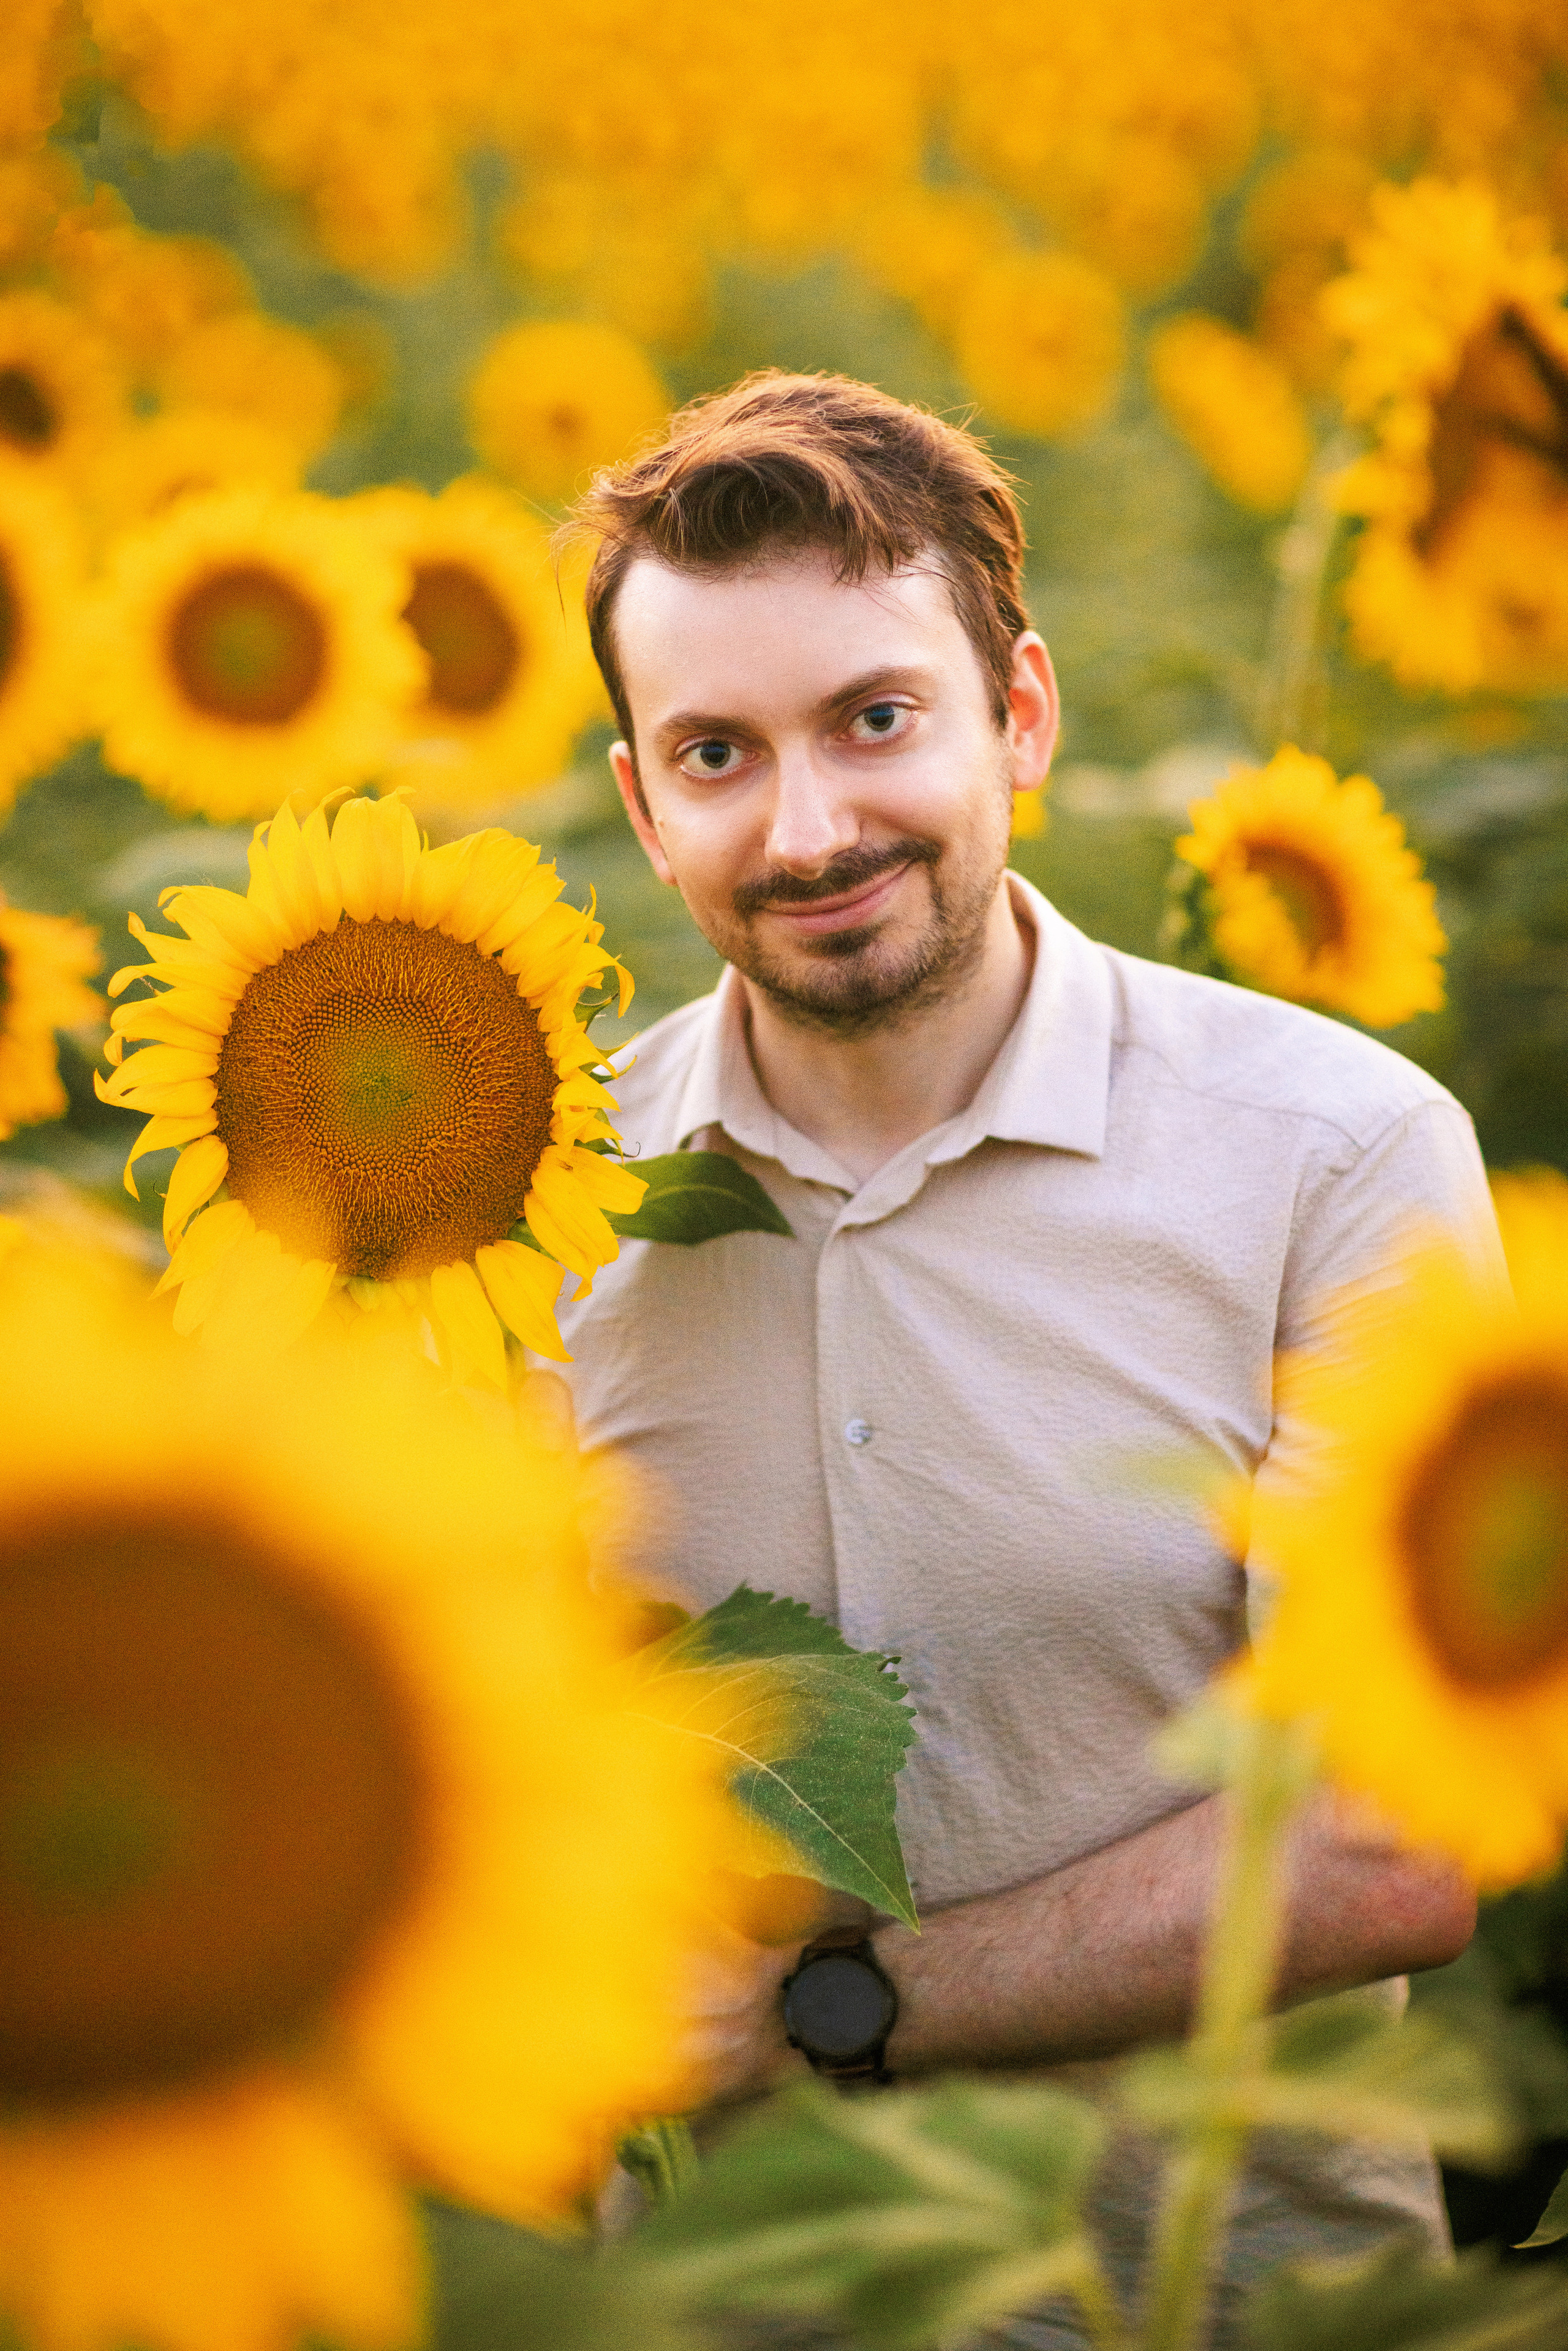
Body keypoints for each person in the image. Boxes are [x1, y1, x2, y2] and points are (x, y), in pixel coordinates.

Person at [555, 371, 1488, 2344]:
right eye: (717, 751)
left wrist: (830, 2009)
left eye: (873, 720)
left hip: (1218, 2297)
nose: (809, 828)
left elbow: (1399, 1841)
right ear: (643, 801)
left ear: (1025, 714)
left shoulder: (1333, 1156)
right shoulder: (542, 1215)